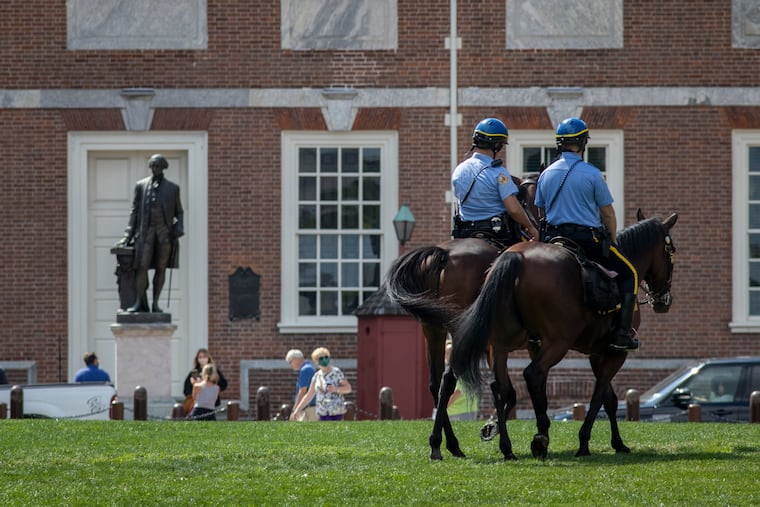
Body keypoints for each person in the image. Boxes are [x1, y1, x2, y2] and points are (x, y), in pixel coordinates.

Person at [535, 117, 639, 352]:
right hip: (586, 241)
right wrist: (612, 240)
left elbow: (541, 209)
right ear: (583, 143)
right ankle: (622, 333)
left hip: (553, 240)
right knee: (630, 273)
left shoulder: (546, 174)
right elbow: (608, 214)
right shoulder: (592, 174)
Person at [451, 117, 539, 247]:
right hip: (497, 234)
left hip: (465, 233)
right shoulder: (499, 173)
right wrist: (530, 228)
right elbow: (513, 209)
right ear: (497, 145)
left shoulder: (459, 170)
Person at [116, 154, 184, 313]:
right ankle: (140, 302)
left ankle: (155, 304)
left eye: (157, 166)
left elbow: (179, 212)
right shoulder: (141, 186)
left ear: (163, 167)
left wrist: (178, 227)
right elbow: (134, 211)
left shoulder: (173, 189)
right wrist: (128, 235)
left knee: (161, 269)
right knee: (141, 267)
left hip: (164, 235)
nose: (154, 169)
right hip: (145, 233)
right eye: (152, 166)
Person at [290, 347, 351, 422]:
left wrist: (336, 389)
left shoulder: (336, 372)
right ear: (316, 361)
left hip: (336, 412)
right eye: (321, 358)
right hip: (322, 413)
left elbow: (348, 388)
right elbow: (309, 395)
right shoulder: (317, 376)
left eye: (326, 357)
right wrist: (297, 410)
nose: (324, 360)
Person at [183, 348, 228, 413]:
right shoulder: (194, 372)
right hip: (198, 403)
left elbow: (223, 384)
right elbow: (186, 388)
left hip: (211, 402)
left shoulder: (214, 371)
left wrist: (213, 389)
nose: (202, 359)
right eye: (200, 357)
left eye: (204, 357)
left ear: (208, 358)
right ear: (197, 359)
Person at [444, 341, 479, 421]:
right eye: (445, 352)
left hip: (460, 412)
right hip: (463, 410)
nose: (445, 355)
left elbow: (458, 392)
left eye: (448, 353)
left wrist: (443, 407)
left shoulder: (459, 369)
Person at [285, 349, 318, 421]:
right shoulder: (309, 367)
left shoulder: (305, 370)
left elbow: (302, 392)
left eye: (290, 362)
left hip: (310, 409)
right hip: (310, 408)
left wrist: (294, 411)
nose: (290, 365)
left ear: (296, 359)